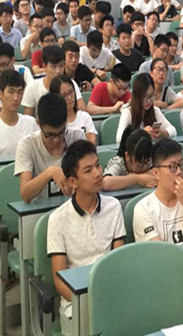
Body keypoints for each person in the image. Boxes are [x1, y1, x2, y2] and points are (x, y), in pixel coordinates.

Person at [48, 140, 126, 335]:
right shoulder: (57, 219)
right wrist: (91, 301)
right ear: (73, 181)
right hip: (76, 302)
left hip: (111, 295)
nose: (98, 173)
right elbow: (60, 282)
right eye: (88, 170)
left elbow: (118, 263)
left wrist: (110, 298)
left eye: (98, 165)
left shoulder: (113, 207)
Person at [16, 93, 87, 203]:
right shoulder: (27, 144)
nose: (56, 140)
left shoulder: (77, 138)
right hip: (39, 210)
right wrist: (50, 173)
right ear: (39, 124)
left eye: (61, 132)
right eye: (49, 135)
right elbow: (25, 194)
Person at [132, 138, 183, 243]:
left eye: (181, 165)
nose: (179, 172)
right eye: (173, 167)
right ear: (156, 173)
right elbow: (159, 252)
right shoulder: (143, 209)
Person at [0, 70, 39, 158]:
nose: (16, 98)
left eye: (20, 92)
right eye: (11, 92)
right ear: (0, 93)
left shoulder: (31, 123)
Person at [22, 46, 85, 117]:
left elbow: (82, 109)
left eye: (61, 66)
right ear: (44, 66)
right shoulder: (32, 87)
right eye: (53, 67)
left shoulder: (70, 83)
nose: (58, 71)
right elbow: (28, 118)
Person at [115, 73, 177, 143]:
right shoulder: (128, 112)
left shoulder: (155, 110)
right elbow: (119, 138)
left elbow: (173, 130)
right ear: (137, 96)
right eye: (145, 96)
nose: (149, 100)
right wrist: (141, 133)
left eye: (151, 96)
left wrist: (162, 133)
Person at [102, 126, 159, 191]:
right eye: (140, 165)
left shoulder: (148, 159)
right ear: (127, 156)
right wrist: (137, 179)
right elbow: (105, 183)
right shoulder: (118, 163)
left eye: (147, 162)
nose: (145, 167)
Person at [50, 75, 98, 145]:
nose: (69, 98)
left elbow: (92, 142)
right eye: (64, 95)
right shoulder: (53, 122)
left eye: (71, 92)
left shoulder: (84, 117)